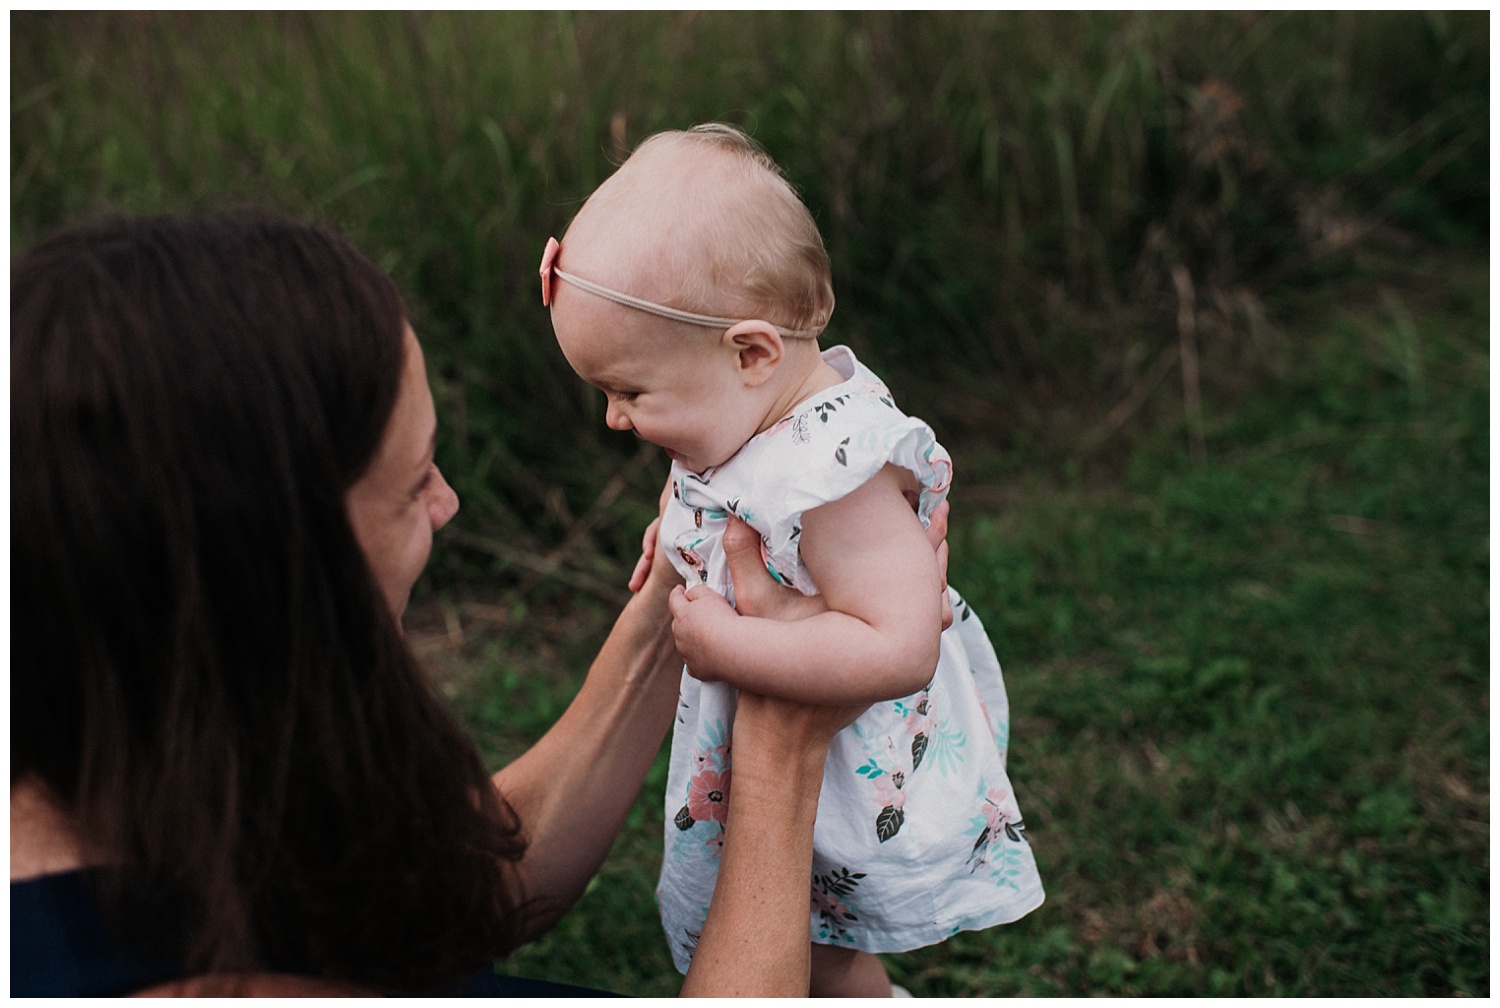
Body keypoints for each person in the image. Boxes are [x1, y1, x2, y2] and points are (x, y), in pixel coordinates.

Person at [10, 213, 949, 996]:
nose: (449, 501)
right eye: (414, 479)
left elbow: (458, 889)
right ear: (281, 562)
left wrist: (684, 590)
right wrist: (782, 743)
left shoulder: (142, 749)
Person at [541, 124, 1045, 997]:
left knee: (818, 946)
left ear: (750, 352)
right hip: (787, 720)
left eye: (628, 392)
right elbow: (718, 485)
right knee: (792, 932)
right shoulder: (753, 417)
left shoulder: (836, 477)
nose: (616, 421)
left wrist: (732, 651)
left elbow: (901, 647)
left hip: (848, 763)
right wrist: (680, 530)